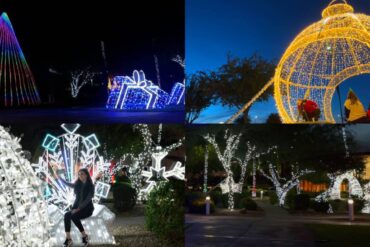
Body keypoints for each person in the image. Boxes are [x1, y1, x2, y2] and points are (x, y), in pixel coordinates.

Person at [55, 168, 95, 247]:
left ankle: (84, 236)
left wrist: (78, 209)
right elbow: (68, 184)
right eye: (79, 174)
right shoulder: (78, 184)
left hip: (87, 208)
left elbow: (87, 200)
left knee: (73, 215)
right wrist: (60, 178)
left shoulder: (91, 186)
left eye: (82, 174)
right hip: (77, 207)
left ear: (86, 175)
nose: (80, 176)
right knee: (67, 215)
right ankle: (68, 239)